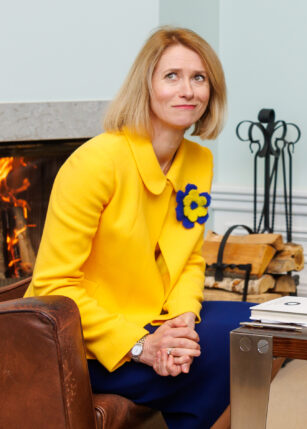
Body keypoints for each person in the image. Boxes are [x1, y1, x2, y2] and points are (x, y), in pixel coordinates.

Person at [28, 26, 248, 429]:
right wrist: (141, 345)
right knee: (222, 351)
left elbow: (188, 260)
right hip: (82, 341)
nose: (188, 90)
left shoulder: (197, 161)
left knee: (254, 327)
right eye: (172, 76)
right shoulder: (95, 163)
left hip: (155, 319)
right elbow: (54, 286)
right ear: (145, 85)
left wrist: (182, 322)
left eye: (199, 78)